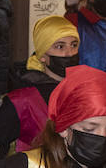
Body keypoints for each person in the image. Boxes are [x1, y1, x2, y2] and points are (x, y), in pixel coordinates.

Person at [6, 15, 80, 151]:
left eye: (74, 45)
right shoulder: (22, 99)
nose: (69, 53)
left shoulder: (83, 90)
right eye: (60, 46)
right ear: (42, 56)